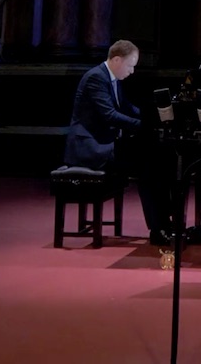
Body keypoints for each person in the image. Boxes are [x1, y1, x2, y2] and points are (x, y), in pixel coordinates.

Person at [65, 40, 178, 246]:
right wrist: (144, 126)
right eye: (130, 65)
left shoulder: (112, 79)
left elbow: (126, 107)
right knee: (147, 165)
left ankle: (165, 223)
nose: (132, 71)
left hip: (105, 142)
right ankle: (158, 228)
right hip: (90, 148)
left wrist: (154, 118)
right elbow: (110, 115)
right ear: (117, 60)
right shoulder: (96, 78)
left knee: (157, 161)